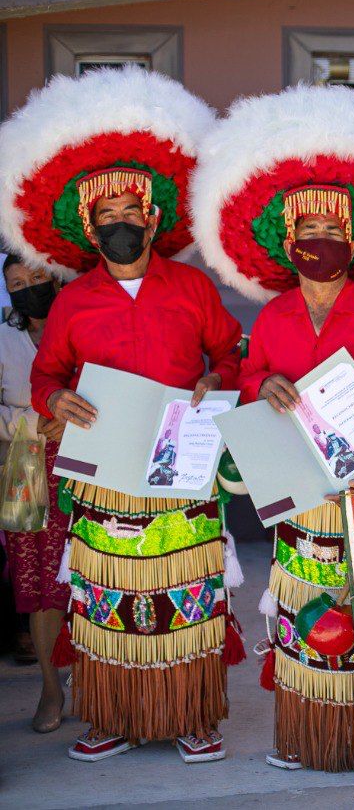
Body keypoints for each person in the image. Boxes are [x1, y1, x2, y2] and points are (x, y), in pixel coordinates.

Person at [0, 67, 241, 763]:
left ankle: (192, 716)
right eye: (107, 217)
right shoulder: (74, 301)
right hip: (102, 473)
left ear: (153, 217)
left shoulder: (192, 286)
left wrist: (214, 378)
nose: (120, 225)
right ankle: (112, 716)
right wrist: (54, 399)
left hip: (180, 469)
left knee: (186, 602)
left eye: (130, 213)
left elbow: (231, 352)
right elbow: (45, 373)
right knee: (106, 604)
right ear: (90, 227)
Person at [191, 84, 354, 785]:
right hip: (299, 493)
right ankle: (307, 737)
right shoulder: (272, 318)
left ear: (352, 242)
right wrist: (261, 383)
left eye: (332, 230)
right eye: (308, 231)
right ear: (289, 243)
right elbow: (249, 380)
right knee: (304, 614)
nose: (320, 241)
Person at [0, 255, 66, 733]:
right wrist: (33, 422)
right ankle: (49, 686)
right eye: (17, 283)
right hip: (23, 463)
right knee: (40, 585)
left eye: (37, 278)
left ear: (56, 278)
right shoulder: (3, 340)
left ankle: (98, 682)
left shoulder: (82, 323)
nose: (29, 288)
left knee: (89, 571)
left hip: (84, 460)